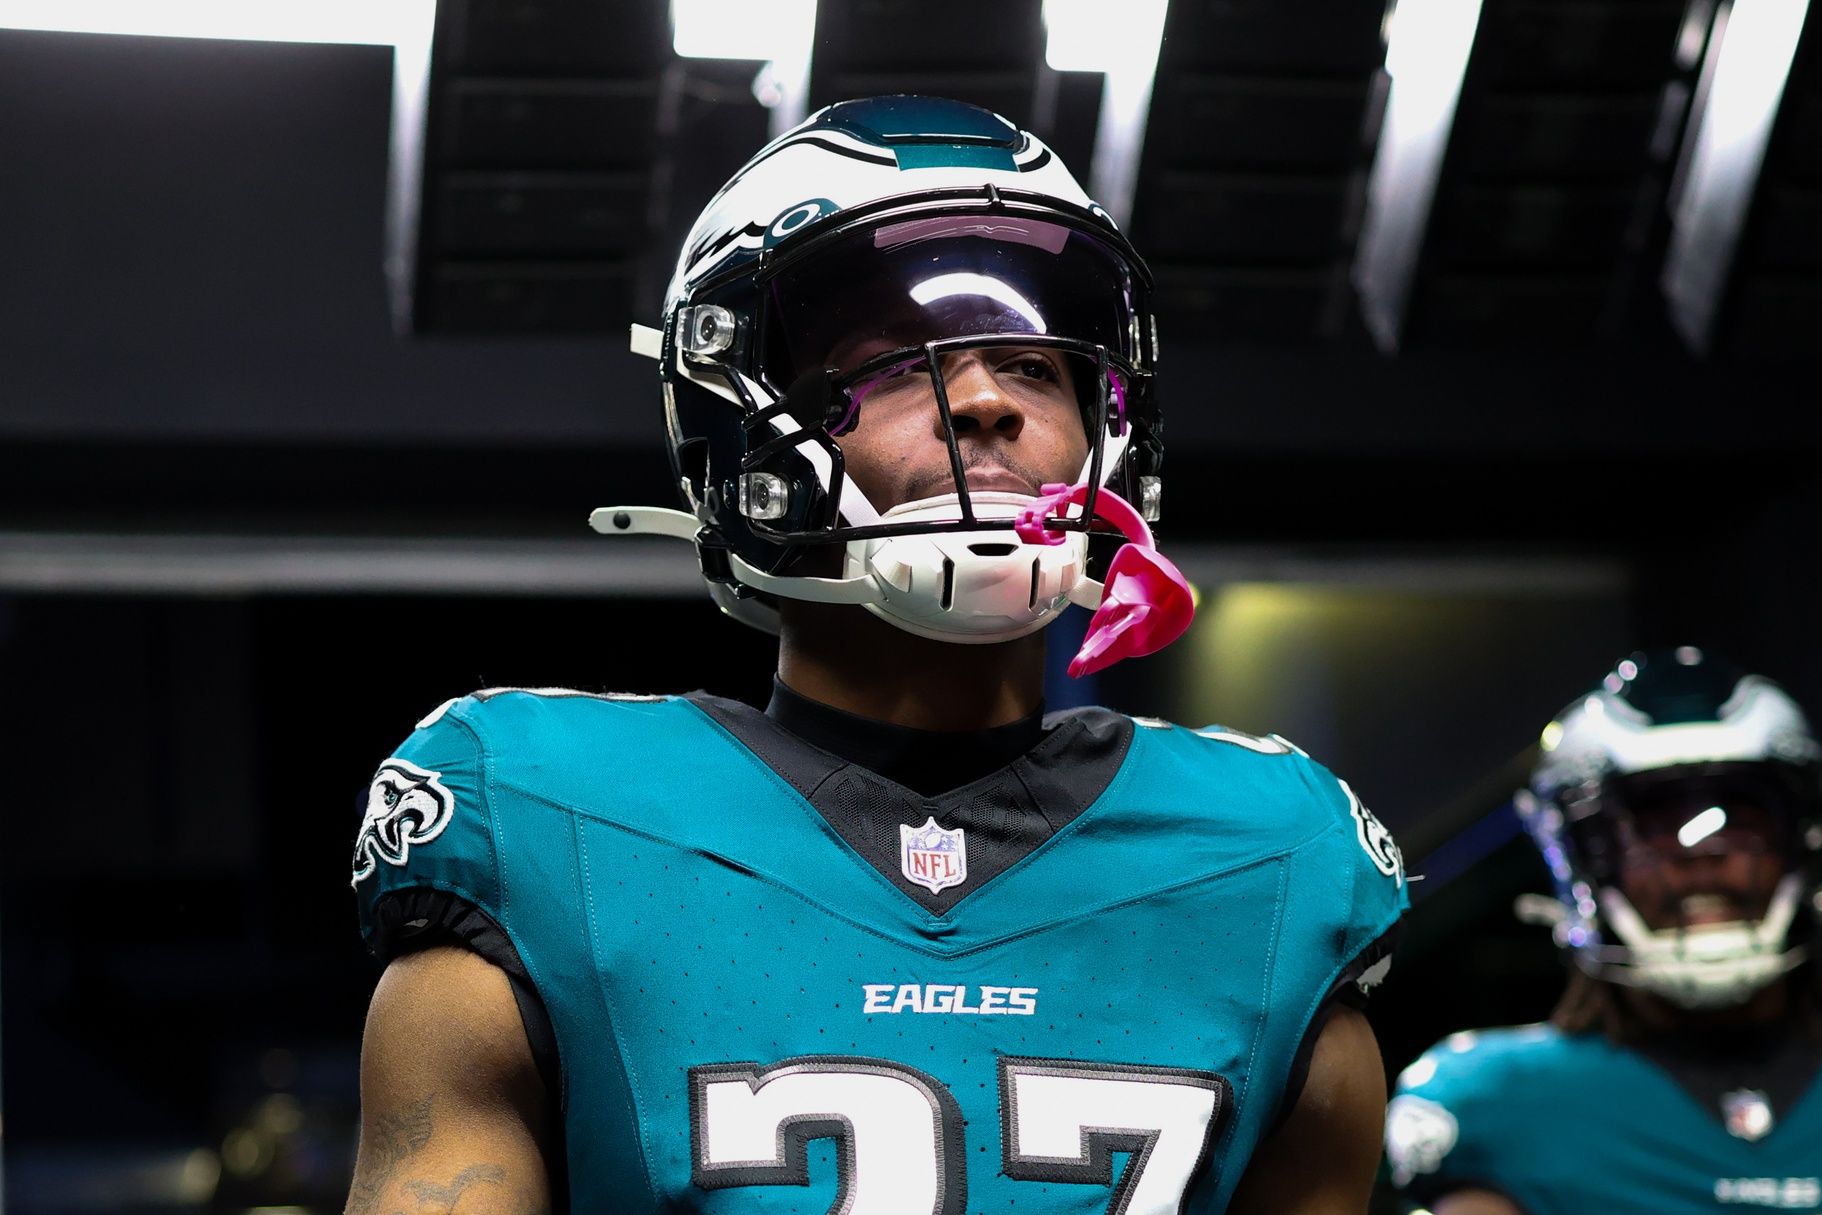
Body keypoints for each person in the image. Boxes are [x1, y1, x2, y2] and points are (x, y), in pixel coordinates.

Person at [345, 95, 1407, 1215]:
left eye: (1037, 368)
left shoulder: (1271, 854)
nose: (988, 399)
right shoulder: (541, 814)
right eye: (899, 363)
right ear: (737, 425)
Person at [1385, 646, 1822, 1214]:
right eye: (1653, 828)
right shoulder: (1499, 1098)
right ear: (1586, 861)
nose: (1701, 858)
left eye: (1739, 819)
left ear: (1798, 840)